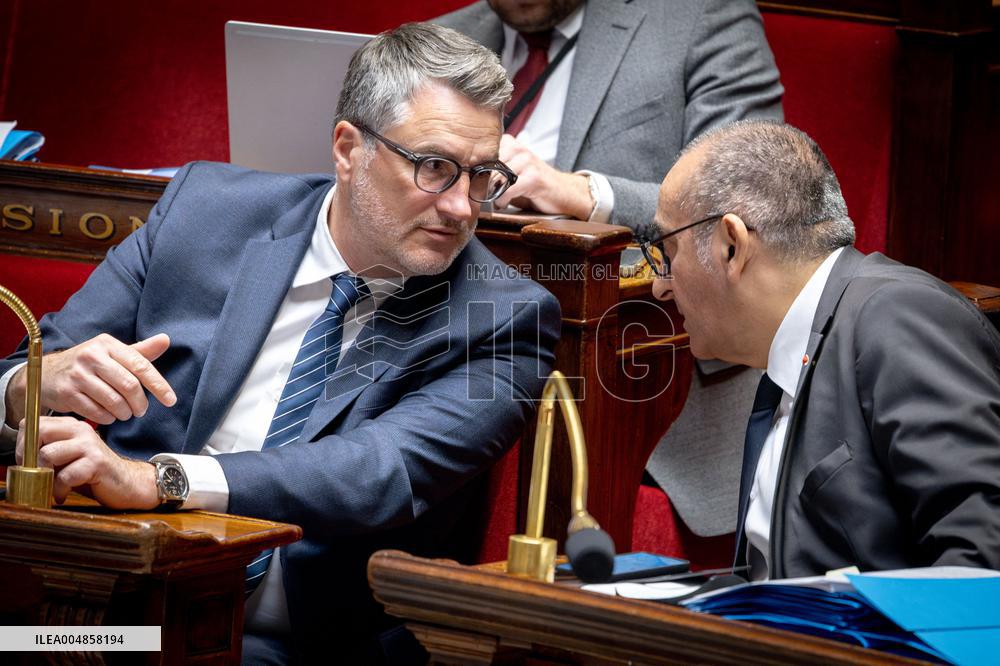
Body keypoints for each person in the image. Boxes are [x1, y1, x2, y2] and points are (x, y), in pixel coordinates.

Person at [0, 23, 561, 663]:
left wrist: (159, 480)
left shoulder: (501, 316)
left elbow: (380, 471)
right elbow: (35, 370)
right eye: (435, 169)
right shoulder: (201, 212)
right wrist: (26, 389)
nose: (463, 207)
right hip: (105, 614)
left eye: (482, 174)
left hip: (289, 646)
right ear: (349, 149)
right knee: (23, 648)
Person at [438, 0, 785, 539]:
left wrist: (584, 194)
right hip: (449, 343)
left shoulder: (699, 18)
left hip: (632, 360)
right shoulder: (444, 38)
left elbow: (751, 196)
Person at [642, 120, 1000, 578]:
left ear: (732, 245)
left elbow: (982, 559)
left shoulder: (897, 314)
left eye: (667, 251)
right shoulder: (785, 355)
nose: (659, 286)